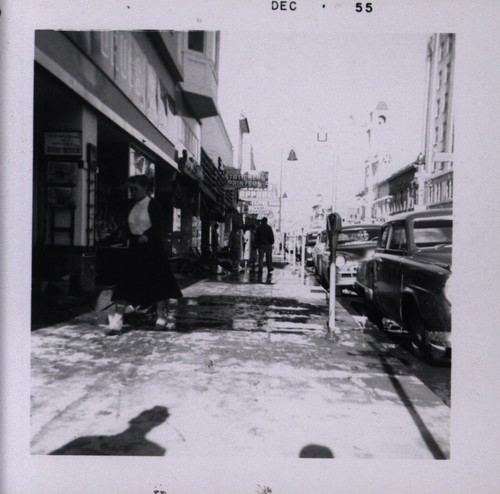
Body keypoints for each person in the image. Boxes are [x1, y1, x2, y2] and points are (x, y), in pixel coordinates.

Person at [105, 174, 183, 335]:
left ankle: (161, 316)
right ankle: (117, 320)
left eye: (135, 189)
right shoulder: (130, 205)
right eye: (131, 190)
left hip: (152, 250)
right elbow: (113, 206)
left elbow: (159, 226)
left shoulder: (153, 205)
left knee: (157, 285)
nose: (132, 192)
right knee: (126, 283)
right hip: (134, 249)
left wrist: (147, 235)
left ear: (146, 189)